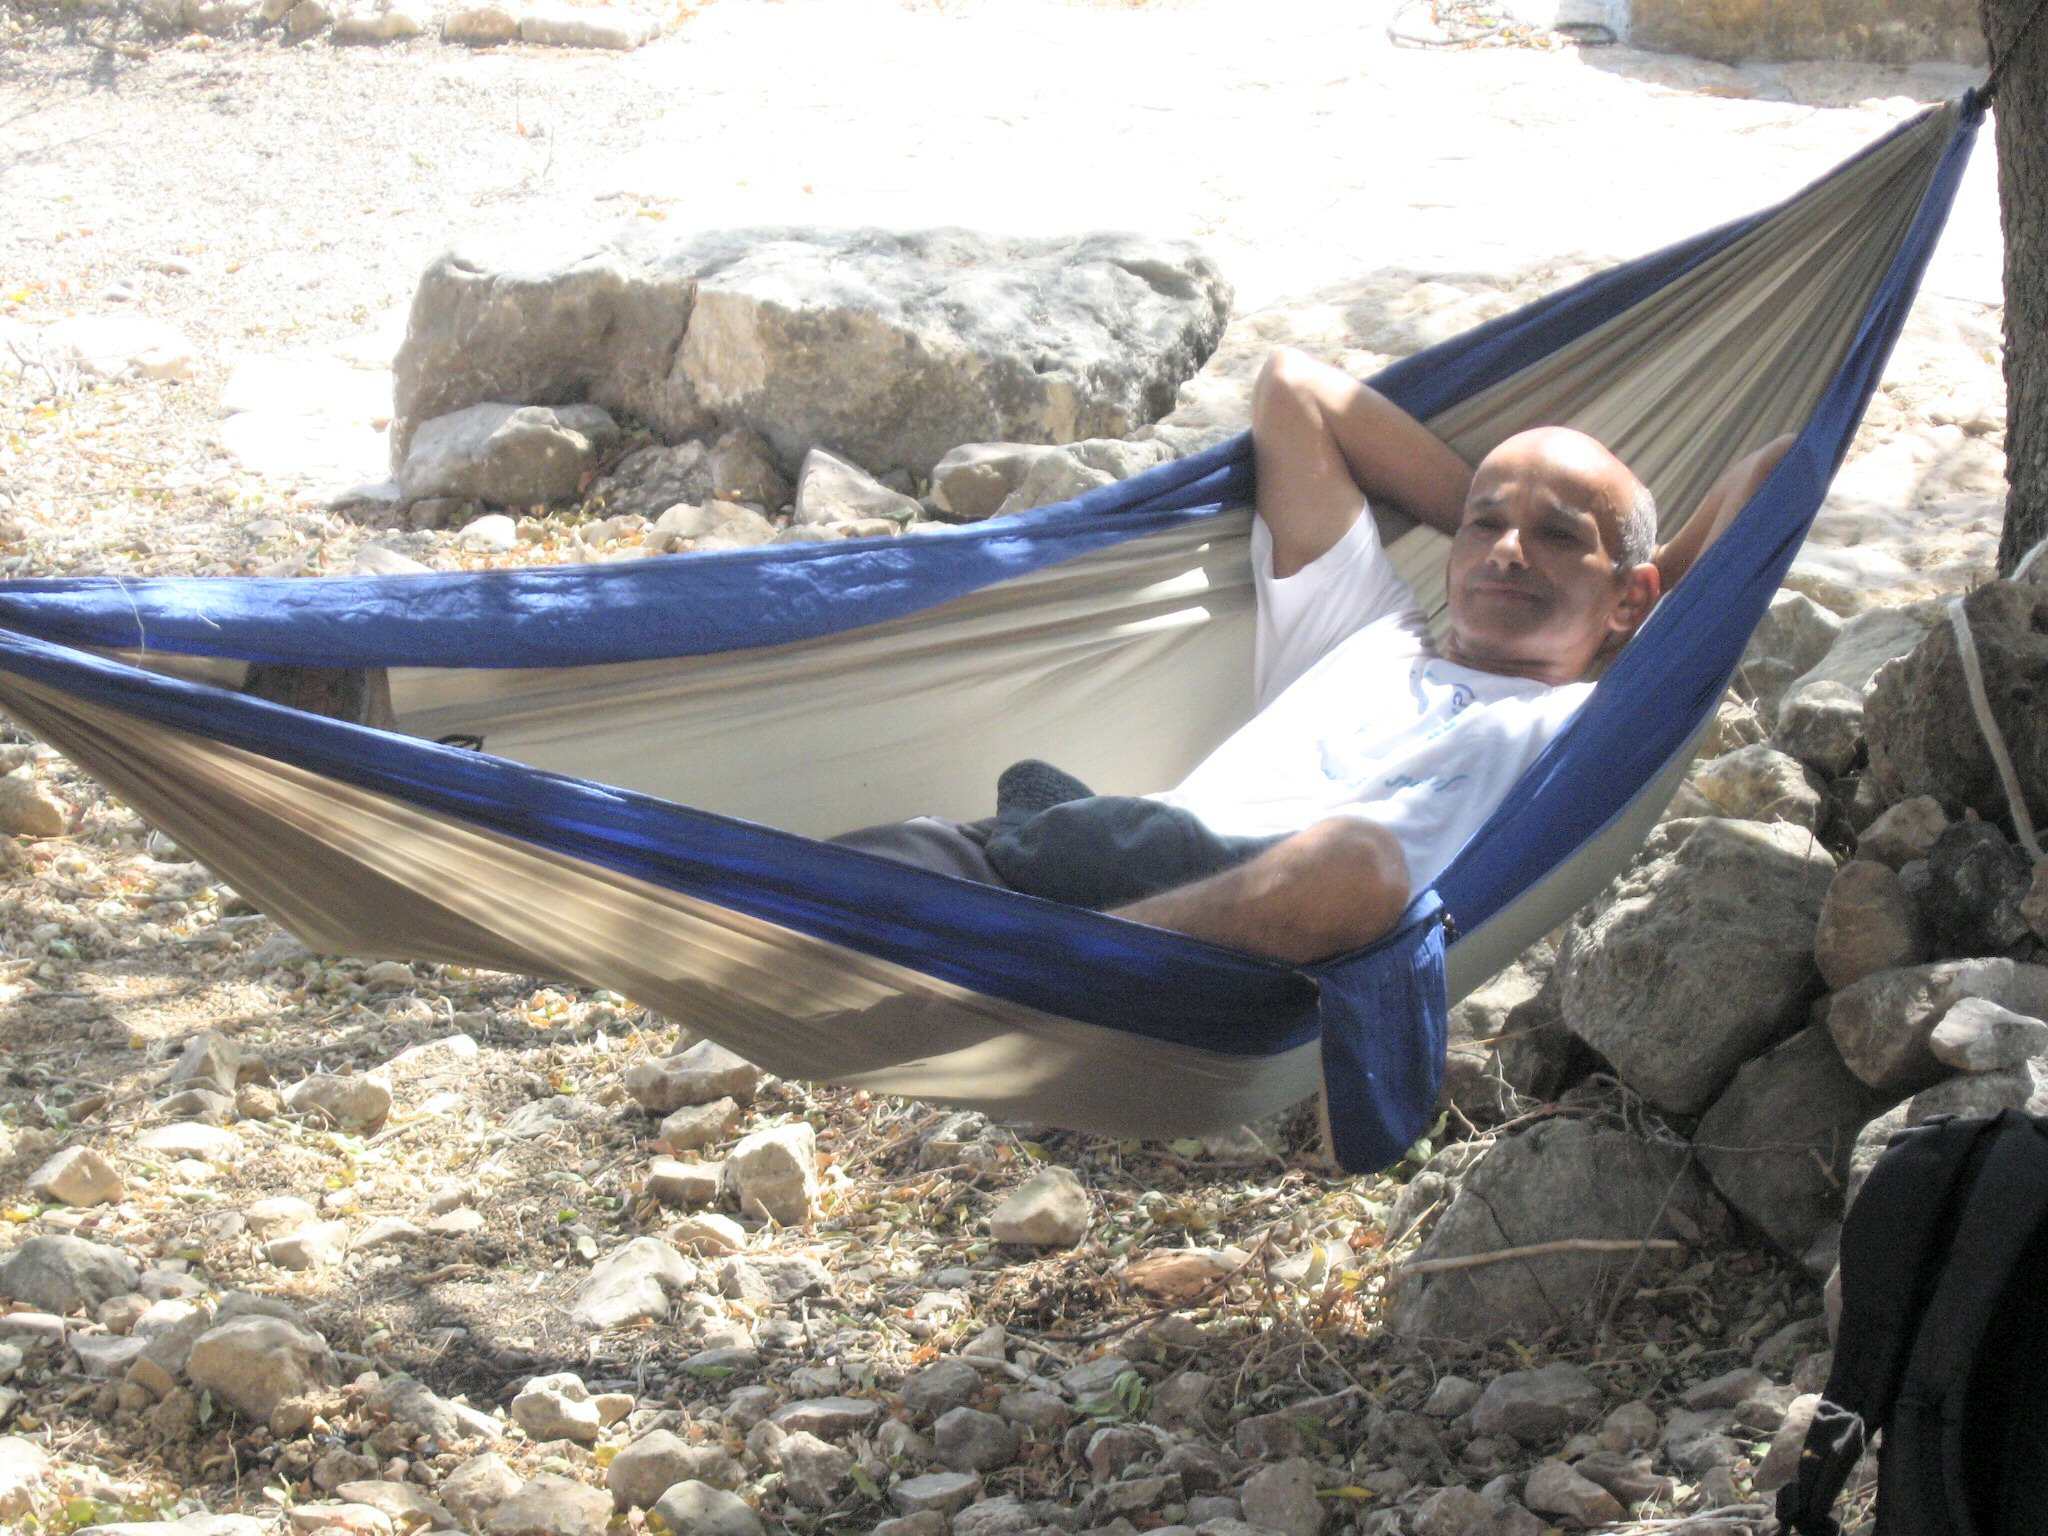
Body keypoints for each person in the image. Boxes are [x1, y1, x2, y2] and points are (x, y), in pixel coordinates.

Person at [838, 347, 1793, 964]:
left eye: (1552, 535)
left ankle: (1071, 965)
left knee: (1360, 863)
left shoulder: (1590, 717)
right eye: (1484, 528)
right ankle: (1039, 954)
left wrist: (1631, 593)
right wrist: (1519, 526)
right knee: (813, 889)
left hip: (1264, 928)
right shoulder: (1363, 628)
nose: (1506, 550)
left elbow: (1775, 469)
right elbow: (1293, 389)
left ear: (1632, 599)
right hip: (1080, 861)